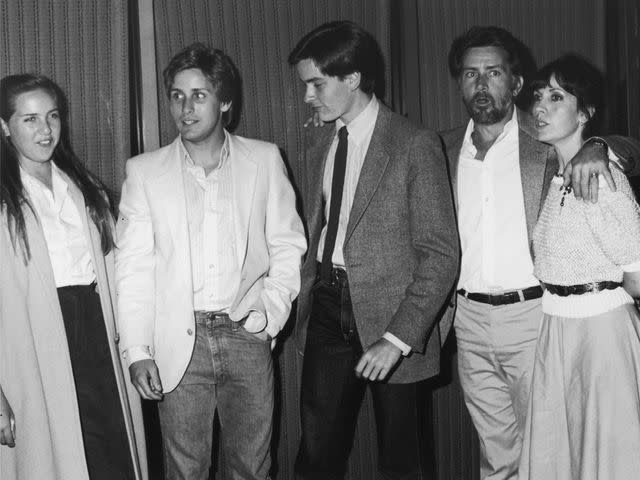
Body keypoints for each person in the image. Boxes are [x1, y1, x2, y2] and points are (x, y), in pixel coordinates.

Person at [440, 26, 640, 480]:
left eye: (493, 71)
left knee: (562, 449)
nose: (480, 83)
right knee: (500, 454)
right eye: (470, 73)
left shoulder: (548, 143)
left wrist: (600, 144)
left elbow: (628, 149)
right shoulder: (441, 147)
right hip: (469, 321)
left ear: (514, 83)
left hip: (539, 317)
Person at [115, 43, 306, 480]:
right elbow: (134, 268)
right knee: (185, 471)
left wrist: (268, 316)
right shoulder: (144, 172)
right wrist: (138, 350)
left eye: (199, 95)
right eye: (177, 95)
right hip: (179, 341)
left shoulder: (264, 159)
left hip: (246, 332)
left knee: (252, 468)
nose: (185, 107)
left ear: (225, 102)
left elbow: (287, 244)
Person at [289, 21, 459, 479]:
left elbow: (441, 254)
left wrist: (398, 338)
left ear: (353, 79)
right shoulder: (322, 140)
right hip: (328, 304)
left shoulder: (414, 144)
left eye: (316, 84)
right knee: (317, 451)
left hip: (394, 317)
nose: (308, 97)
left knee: (403, 459)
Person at [0, 74, 147, 480]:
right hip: (31, 343)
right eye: (29, 119)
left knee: (109, 451)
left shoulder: (85, 190)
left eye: (52, 116)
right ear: (3, 127)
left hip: (96, 331)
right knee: (53, 459)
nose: (45, 130)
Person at [518, 54, 640, 480]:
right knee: (562, 457)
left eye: (557, 96)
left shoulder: (598, 175)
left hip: (600, 336)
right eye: (538, 96)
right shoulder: (561, 178)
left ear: (585, 113)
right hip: (557, 329)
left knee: (609, 459)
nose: (541, 107)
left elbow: (639, 275)